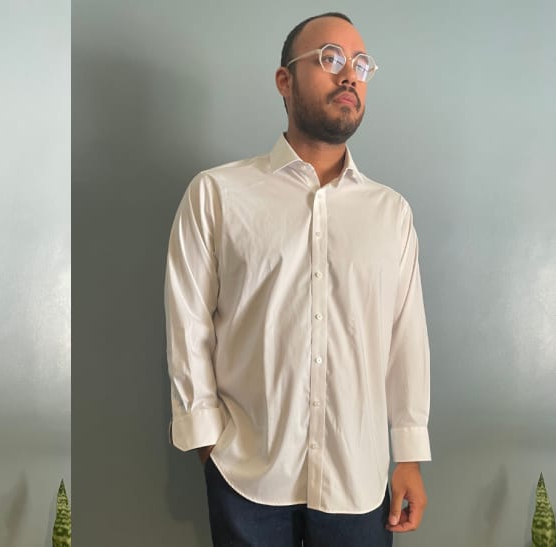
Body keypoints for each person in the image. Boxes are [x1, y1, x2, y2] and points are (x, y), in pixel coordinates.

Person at [164, 12, 429, 547]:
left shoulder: (390, 212)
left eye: (360, 65)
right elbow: (187, 319)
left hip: (360, 477)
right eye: (330, 59)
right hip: (246, 473)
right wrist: (206, 441)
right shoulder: (217, 194)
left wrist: (409, 455)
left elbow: (406, 338)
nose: (349, 76)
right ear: (285, 81)